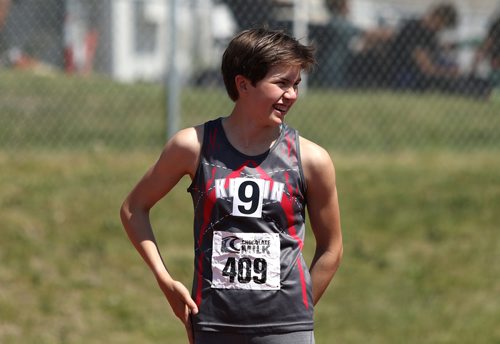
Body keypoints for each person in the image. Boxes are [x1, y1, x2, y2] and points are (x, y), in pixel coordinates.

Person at [120, 28, 343, 344]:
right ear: (243, 84)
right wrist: (165, 281)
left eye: (296, 85)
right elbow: (133, 209)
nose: (292, 94)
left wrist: (295, 310)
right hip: (213, 324)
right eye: (281, 83)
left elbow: (332, 248)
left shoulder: (312, 159)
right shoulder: (193, 146)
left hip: (285, 330)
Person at [386, 2, 491, 98]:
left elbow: (438, 49)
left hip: (421, 75)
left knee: (474, 80)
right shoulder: (415, 30)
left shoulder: (428, 33)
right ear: (437, 18)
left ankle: (476, 88)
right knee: (451, 81)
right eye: (443, 25)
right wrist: (452, 73)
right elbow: (427, 69)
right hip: (408, 76)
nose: (441, 29)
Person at [311, 0, 393, 87]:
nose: (350, 7)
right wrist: (391, 33)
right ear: (341, 6)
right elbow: (368, 33)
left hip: (326, 69)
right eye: (347, 4)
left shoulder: (330, 23)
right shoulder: (340, 24)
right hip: (335, 71)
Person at [471, 15, 500, 87]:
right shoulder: (497, 24)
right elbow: (489, 40)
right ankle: (473, 80)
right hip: (495, 50)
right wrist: (481, 53)